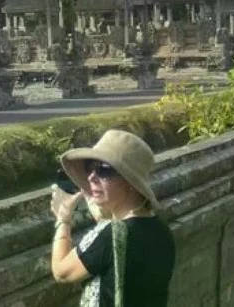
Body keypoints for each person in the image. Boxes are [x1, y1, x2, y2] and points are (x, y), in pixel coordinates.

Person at [50, 129, 176, 307]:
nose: (92, 177)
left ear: (130, 182)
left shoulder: (110, 237)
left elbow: (62, 272)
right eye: (90, 168)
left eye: (104, 170)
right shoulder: (160, 230)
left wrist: (63, 219)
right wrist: (98, 205)